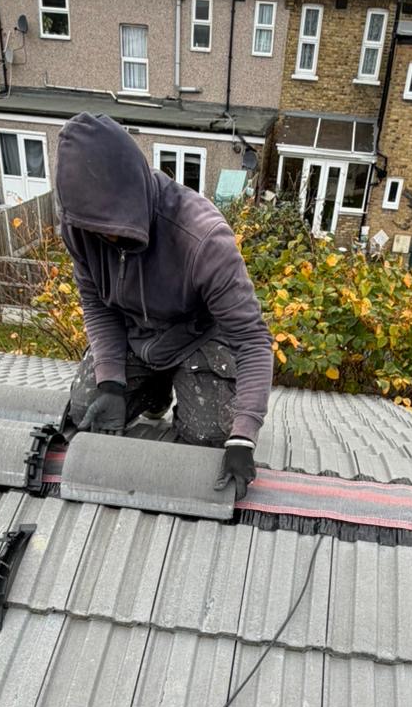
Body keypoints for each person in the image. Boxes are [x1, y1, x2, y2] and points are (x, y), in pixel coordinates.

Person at [56, 113, 272, 501]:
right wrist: (110, 382)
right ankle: (154, 388)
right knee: (87, 409)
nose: (107, 237)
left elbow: (253, 342)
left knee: (208, 441)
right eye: (96, 229)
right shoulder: (79, 229)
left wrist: (244, 436)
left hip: (198, 338)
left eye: (114, 227)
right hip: (139, 335)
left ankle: (178, 384)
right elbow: (97, 303)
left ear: (135, 187)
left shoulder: (202, 238)